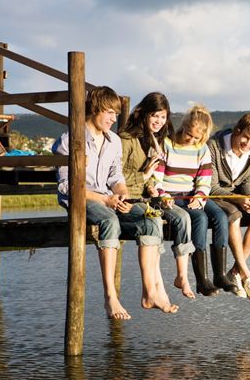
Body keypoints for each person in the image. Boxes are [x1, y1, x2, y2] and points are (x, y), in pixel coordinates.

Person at [52, 86, 178, 320]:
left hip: (108, 198)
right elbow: (67, 186)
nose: (113, 119)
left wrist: (122, 195)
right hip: (82, 199)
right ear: (95, 109)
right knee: (109, 219)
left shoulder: (113, 141)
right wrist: (105, 200)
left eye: (116, 114)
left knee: (149, 218)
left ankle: (150, 291)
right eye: (109, 112)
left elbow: (116, 177)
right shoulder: (71, 139)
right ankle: (110, 296)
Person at [151, 104, 237, 297]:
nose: (190, 139)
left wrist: (200, 196)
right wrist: (162, 194)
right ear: (184, 126)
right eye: (188, 134)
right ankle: (201, 279)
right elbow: (156, 177)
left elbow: (204, 179)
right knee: (200, 218)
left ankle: (220, 274)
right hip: (171, 196)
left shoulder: (202, 149)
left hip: (192, 194)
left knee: (220, 217)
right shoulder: (167, 144)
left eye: (196, 138)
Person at [119, 92, 197, 299]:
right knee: (153, 221)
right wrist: (143, 177)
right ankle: (154, 290)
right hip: (130, 198)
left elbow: (153, 175)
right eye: (155, 115)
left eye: (163, 117)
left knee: (183, 217)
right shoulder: (127, 138)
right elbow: (115, 176)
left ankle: (182, 276)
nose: (159, 121)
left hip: (149, 197)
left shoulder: (156, 140)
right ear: (143, 113)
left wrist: (154, 186)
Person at [207, 111, 250, 303]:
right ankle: (247, 275)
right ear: (237, 130)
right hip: (216, 196)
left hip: (239, 196)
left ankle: (234, 271)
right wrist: (239, 200)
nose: (248, 144)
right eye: (246, 137)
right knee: (234, 213)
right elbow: (211, 187)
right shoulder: (214, 146)